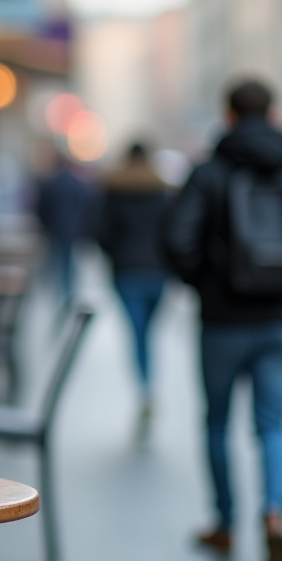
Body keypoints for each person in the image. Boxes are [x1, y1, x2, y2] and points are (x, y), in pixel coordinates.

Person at [162, 79, 282, 561]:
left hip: (222, 323)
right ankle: (276, 513)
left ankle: (225, 523)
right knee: (272, 425)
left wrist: (207, 282)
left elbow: (178, 241)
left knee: (217, 423)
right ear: (272, 111)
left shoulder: (209, 172)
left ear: (228, 114)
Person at [97, 142, 171, 427]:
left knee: (137, 333)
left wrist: (117, 255)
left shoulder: (115, 190)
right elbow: (173, 231)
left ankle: (144, 388)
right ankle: (148, 386)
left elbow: (101, 233)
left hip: (127, 272)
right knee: (149, 333)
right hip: (157, 272)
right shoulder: (161, 191)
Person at [35, 151, 96, 305]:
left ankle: (61, 293)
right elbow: (88, 208)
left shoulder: (50, 184)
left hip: (54, 230)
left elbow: (41, 209)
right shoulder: (79, 185)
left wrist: (46, 226)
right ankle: (68, 291)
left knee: (59, 261)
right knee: (68, 261)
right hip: (73, 231)